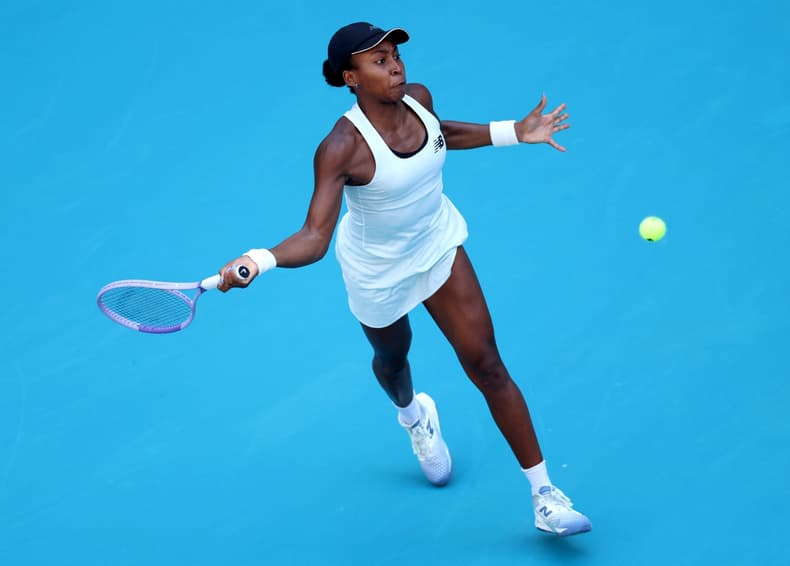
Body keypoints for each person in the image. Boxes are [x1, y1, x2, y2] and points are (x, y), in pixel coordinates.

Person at [217, 22, 592, 537]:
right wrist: (258, 260)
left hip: (437, 245)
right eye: (378, 61)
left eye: (394, 55)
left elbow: (441, 134)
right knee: (393, 360)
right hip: (376, 271)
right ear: (351, 77)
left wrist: (513, 132)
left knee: (487, 363)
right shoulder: (341, 147)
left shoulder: (418, 98)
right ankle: (414, 416)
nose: (394, 65)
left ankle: (545, 495)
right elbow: (314, 236)